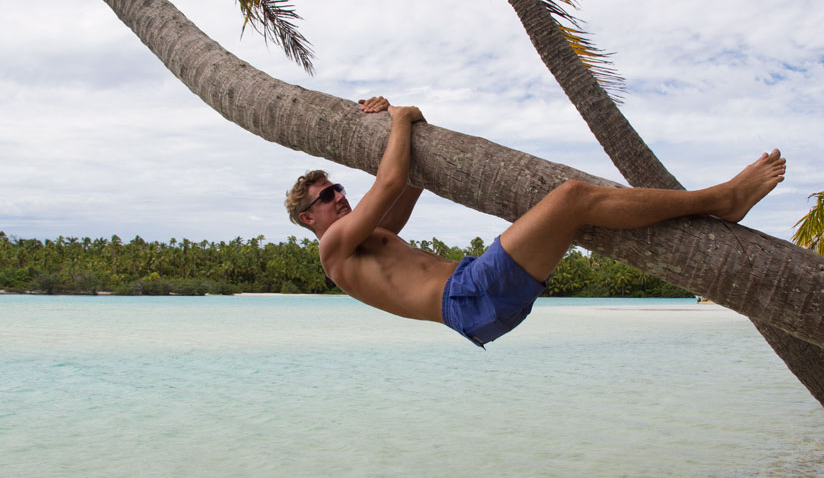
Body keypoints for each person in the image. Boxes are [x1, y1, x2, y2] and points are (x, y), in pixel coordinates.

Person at [285, 96, 786, 347]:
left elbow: (411, 178)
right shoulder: (335, 250)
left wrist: (391, 113)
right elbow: (390, 183)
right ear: (310, 218)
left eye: (339, 188)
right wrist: (399, 120)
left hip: (475, 301)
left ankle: (717, 200)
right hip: (470, 297)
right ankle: (722, 198)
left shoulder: (369, 239)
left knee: (573, 209)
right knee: (572, 197)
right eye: (328, 197)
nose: (339, 196)